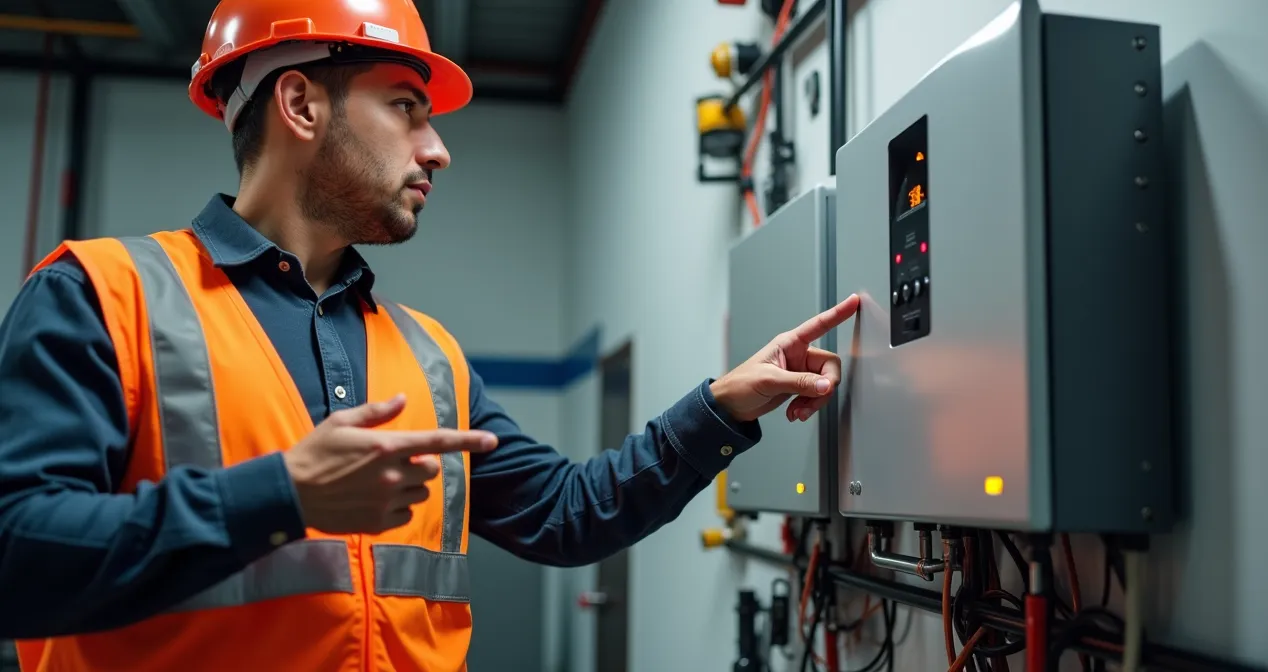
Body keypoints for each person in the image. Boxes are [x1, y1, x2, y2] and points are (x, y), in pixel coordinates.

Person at [0, 0, 860, 670]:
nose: (437, 148)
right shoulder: (102, 296)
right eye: (406, 108)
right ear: (299, 103)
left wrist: (719, 407)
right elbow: (17, 556)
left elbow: (569, 514)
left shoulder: (427, 353)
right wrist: (282, 498)